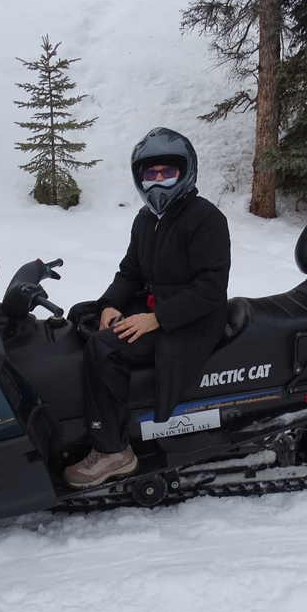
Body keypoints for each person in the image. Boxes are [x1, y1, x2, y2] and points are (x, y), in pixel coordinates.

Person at [63, 127, 231, 488]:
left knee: (105, 347)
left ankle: (113, 451)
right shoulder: (146, 219)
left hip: (193, 319)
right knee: (84, 317)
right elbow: (131, 272)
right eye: (150, 173)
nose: (157, 180)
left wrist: (156, 319)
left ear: (185, 172)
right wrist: (110, 305)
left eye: (167, 172)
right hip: (160, 306)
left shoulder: (205, 218)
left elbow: (211, 289)